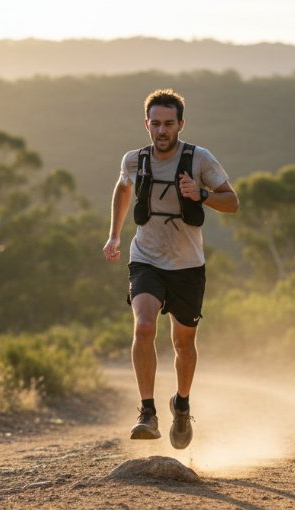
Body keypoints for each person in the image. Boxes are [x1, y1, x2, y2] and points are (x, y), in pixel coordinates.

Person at [102, 88, 239, 449]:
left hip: (188, 266)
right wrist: (114, 236)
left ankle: (181, 404)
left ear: (180, 124)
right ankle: (147, 412)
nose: (162, 131)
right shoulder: (135, 160)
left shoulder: (200, 159)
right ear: (146, 124)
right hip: (146, 257)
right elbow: (122, 187)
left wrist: (202, 194)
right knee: (144, 325)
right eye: (155, 124)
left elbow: (233, 202)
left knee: (184, 344)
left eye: (168, 124)